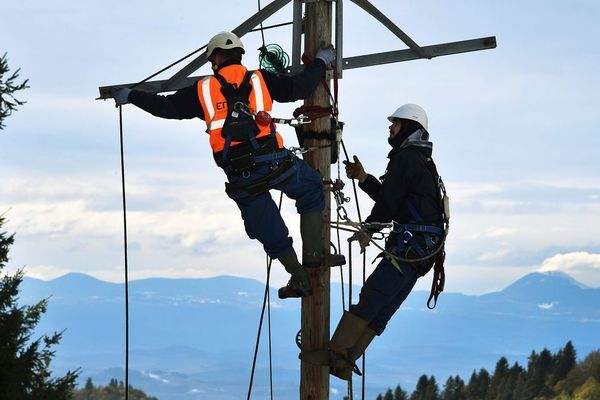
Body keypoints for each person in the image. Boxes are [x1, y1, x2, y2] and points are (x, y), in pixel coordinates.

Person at [111, 31, 344, 299]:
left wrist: (131, 96)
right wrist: (321, 62)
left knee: (268, 228)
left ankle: (299, 277)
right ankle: (315, 255)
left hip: (241, 175)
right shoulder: (260, 79)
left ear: (216, 58)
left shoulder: (203, 89)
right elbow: (300, 88)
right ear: (239, 56)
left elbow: (165, 107)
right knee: (311, 187)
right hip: (275, 164)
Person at [301, 104, 446, 380]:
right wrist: (365, 179)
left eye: (397, 124)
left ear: (410, 128)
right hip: (421, 251)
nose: (391, 128)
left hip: (410, 246)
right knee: (382, 308)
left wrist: (370, 228)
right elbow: (395, 199)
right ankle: (344, 361)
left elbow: (389, 204)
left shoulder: (406, 160)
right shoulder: (421, 161)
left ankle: (335, 355)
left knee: (372, 298)